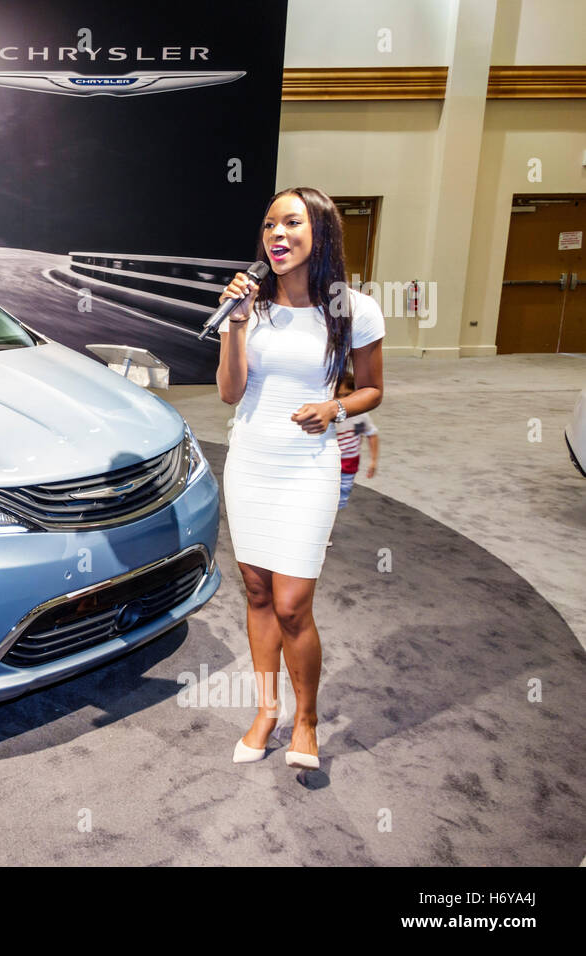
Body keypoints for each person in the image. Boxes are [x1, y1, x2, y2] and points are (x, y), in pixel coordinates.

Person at [216, 186, 385, 770]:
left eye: (291, 223)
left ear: (321, 233)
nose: (277, 235)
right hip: (252, 460)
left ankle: (306, 717)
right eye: (269, 226)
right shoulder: (247, 306)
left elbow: (373, 389)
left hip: (306, 466)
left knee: (292, 604)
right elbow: (231, 393)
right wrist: (235, 323)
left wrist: (335, 409)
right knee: (258, 592)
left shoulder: (354, 309)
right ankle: (266, 710)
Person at [334, 371, 379, 510]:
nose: (341, 401)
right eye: (337, 396)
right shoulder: (329, 417)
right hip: (329, 462)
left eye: (347, 395)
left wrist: (373, 460)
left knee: (342, 498)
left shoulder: (360, 415)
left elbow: (371, 434)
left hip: (349, 463)